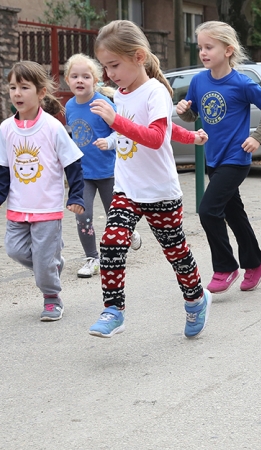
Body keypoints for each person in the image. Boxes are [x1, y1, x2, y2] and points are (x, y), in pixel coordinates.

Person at [87, 20, 211, 338]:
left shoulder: (155, 91)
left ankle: (196, 299)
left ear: (139, 56)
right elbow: (164, 129)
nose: (109, 74)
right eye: (105, 66)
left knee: (176, 252)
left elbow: (156, 136)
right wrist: (191, 136)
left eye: (114, 65)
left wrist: (116, 120)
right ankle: (113, 310)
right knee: (112, 244)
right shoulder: (121, 94)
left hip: (160, 191)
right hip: (127, 187)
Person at [177, 21, 261, 293]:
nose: (203, 52)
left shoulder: (242, 83)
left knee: (208, 210)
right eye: (200, 47)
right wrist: (185, 109)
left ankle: (225, 267)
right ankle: (256, 262)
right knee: (234, 213)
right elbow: (194, 115)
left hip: (236, 158)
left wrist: (257, 137)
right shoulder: (198, 81)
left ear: (228, 50)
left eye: (209, 47)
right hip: (213, 157)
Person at [0, 61, 85, 321]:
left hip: (47, 208)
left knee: (43, 263)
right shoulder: (6, 128)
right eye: (12, 87)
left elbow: (73, 164)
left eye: (24, 87)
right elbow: (1, 167)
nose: (17, 93)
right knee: (15, 250)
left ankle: (52, 297)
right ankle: (50, 265)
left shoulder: (53, 127)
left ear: (41, 93)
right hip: (18, 206)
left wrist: (76, 196)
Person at [64, 53, 142, 280]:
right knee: (82, 214)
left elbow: (122, 130)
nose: (80, 80)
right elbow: (70, 135)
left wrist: (108, 142)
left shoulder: (103, 103)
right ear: (67, 80)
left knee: (115, 216)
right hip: (82, 174)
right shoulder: (69, 106)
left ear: (95, 80)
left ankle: (130, 231)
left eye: (86, 76)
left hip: (108, 172)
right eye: (75, 76)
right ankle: (92, 258)